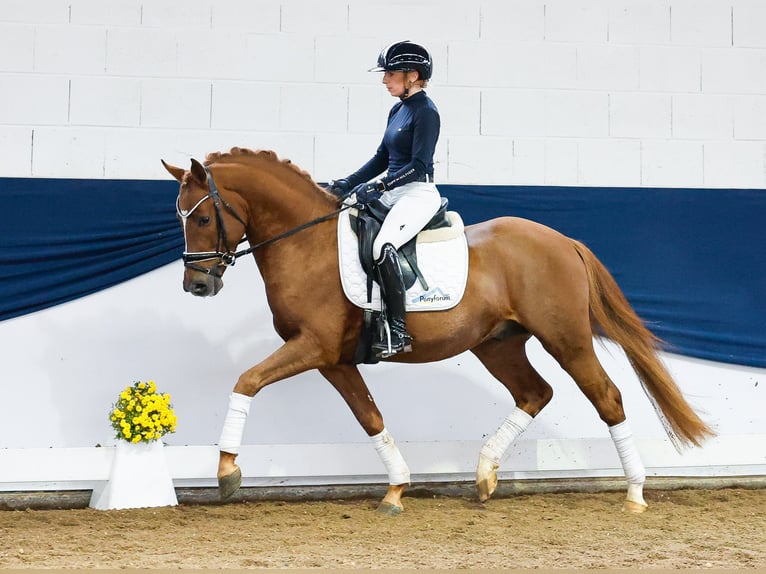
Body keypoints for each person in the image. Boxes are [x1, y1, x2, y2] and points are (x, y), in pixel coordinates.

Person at [328, 40, 443, 359]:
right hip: (392, 190)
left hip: (417, 193)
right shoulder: (398, 109)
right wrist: (349, 182)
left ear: (412, 76)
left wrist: (379, 188)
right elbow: (382, 157)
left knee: (382, 247)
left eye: (390, 74)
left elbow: (419, 165)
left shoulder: (426, 112)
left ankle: (397, 329)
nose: (384, 80)